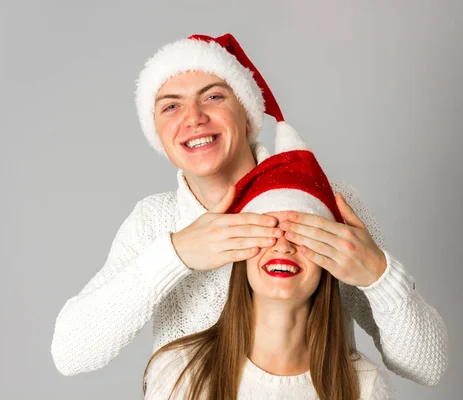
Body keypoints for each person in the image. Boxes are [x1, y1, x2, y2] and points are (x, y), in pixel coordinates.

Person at [50, 33, 448, 387]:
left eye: (213, 96)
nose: (194, 118)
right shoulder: (155, 222)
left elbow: (425, 367)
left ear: (247, 114)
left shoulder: (328, 204)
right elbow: (71, 353)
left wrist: (379, 276)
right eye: (170, 106)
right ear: (157, 131)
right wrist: (176, 254)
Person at [143, 133, 396, 399]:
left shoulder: (364, 385)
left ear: (330, 259)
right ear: (242, 254)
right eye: (269, 230)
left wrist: (379, 272)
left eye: (301, 233)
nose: (284, 246)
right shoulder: (179, 370)